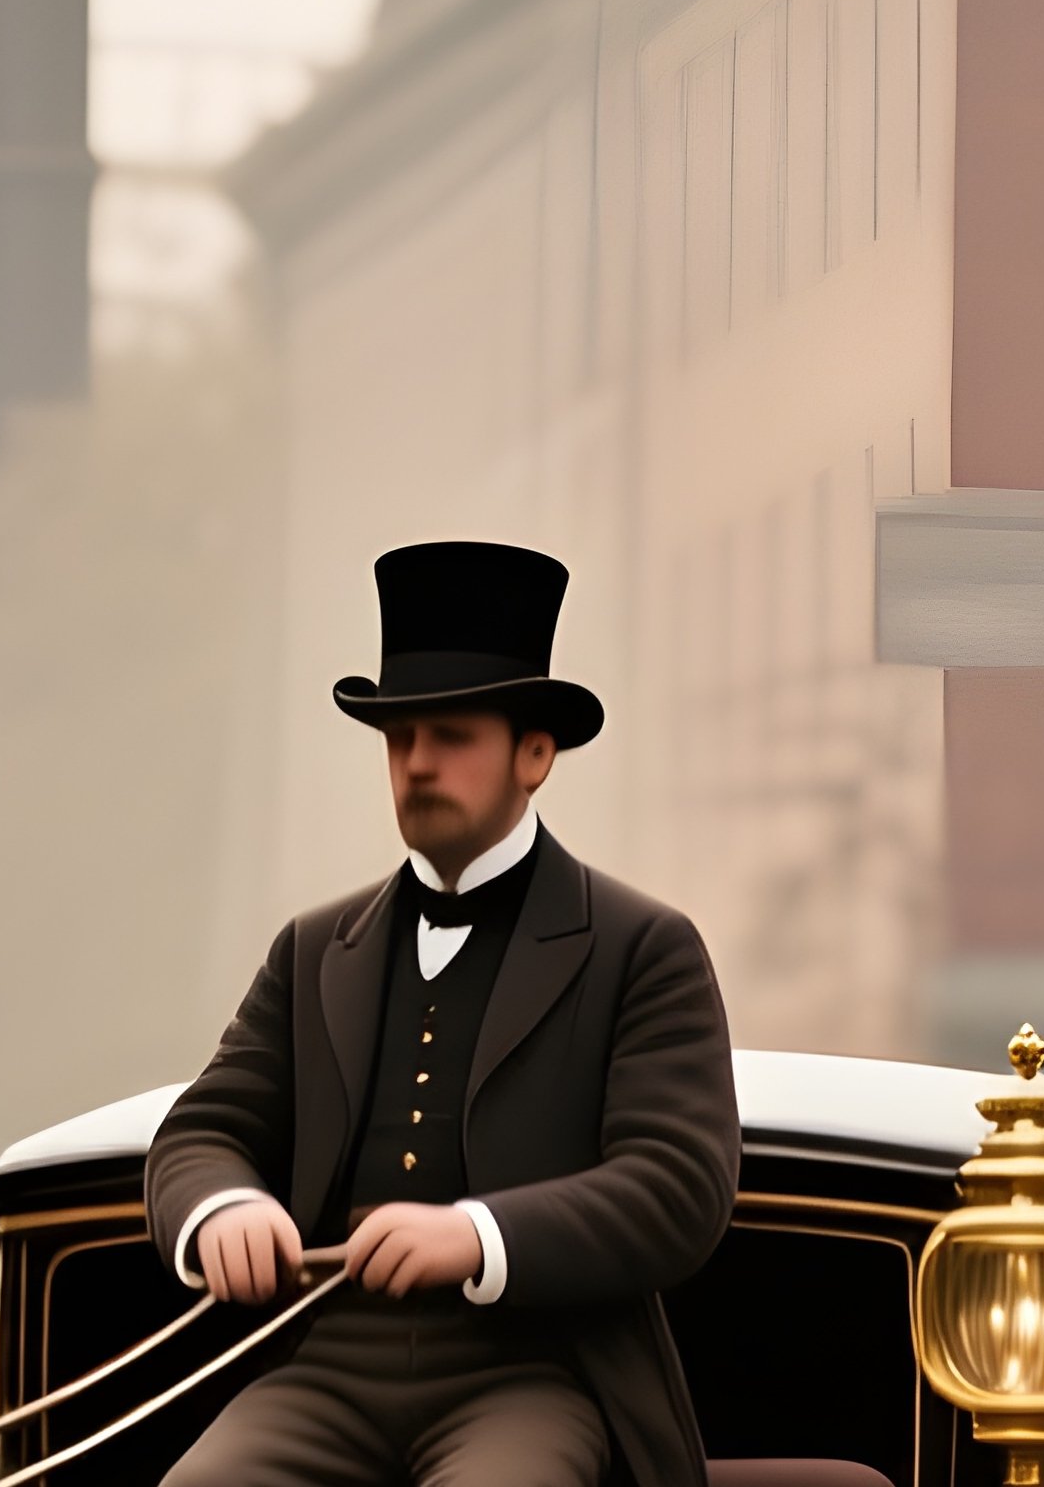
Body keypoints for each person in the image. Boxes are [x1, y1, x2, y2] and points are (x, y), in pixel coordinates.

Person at [146, 540, 741, 1487]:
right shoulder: (314, 949)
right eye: (399, 739)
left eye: (451, 736)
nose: (416, 765)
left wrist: (476, 1234)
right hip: (322, 1371)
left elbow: (679, 1186)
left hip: (536, 1372)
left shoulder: (643, 947)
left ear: (534, 753)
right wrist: (222, 1207)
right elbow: (203, 1131)